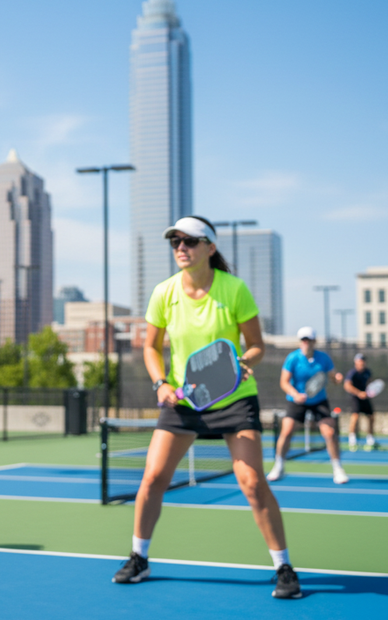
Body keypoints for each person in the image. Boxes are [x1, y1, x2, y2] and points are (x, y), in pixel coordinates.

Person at [113, 216, 302, 599]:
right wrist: (161, 383)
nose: (181, 247)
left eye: (190, 241)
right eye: (175, 242)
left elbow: (257, 345)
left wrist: (244, 360)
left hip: (233, 397)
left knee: (252, 482)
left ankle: (284, 567)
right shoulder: (164, 292)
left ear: (210, 248)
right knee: (152, 478)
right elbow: (151, 347)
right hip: (184, 401)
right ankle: (139, 558)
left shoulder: (234, 289)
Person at [267, 327, 349, 485]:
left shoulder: (323, 358)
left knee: (330, 433)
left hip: (319, 400)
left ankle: (337, 468)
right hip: (296, 400)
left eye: (309, 340)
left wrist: (337, 378)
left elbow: (333, 378)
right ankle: (279, 465)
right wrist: (295, 394)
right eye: (303, 340)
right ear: (300, 342)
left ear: (314, 342)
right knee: (286, 431)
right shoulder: (293, 358)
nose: (306, 343)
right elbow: (284, 382)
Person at [338, 353, 377, 451]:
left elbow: (370, 383)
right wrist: (359, 393)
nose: (361, 362)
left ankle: (370, 439)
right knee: (355, 417)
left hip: (366, 398)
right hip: (355, 398)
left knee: (371, 417)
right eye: (359, 360)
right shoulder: (352, 373)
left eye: (363, 360)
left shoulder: (368, 372)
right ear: (356, 362)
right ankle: (352, 439)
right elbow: (347, 386)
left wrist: (370, 392)